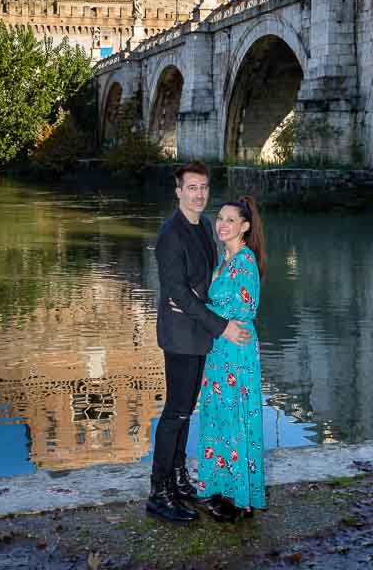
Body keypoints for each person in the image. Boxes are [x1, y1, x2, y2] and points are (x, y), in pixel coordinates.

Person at [147, 161, 252, 524]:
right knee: (174, 412)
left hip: (198, 332)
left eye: (204, 187)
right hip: (179, 337)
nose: (199, 193)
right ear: (178, 192)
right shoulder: (170, 234)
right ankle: (158, 492)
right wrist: (221, 325)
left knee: (186, 411)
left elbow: (204, 284)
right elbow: (177, 292)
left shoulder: (205, 225)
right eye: (192, 187)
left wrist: (207, 305)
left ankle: (178, 481)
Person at [192, 196, 267, 521]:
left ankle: (241, 500)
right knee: (219, 417)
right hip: (219, 350)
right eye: (219, 218)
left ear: (245, 227)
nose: (221, 225)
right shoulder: (224, 262)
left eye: (230, 220)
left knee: (235, 419)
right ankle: (224, 488)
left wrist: (196, 311)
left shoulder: (246, 261)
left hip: (236, 352)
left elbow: (246, 309)